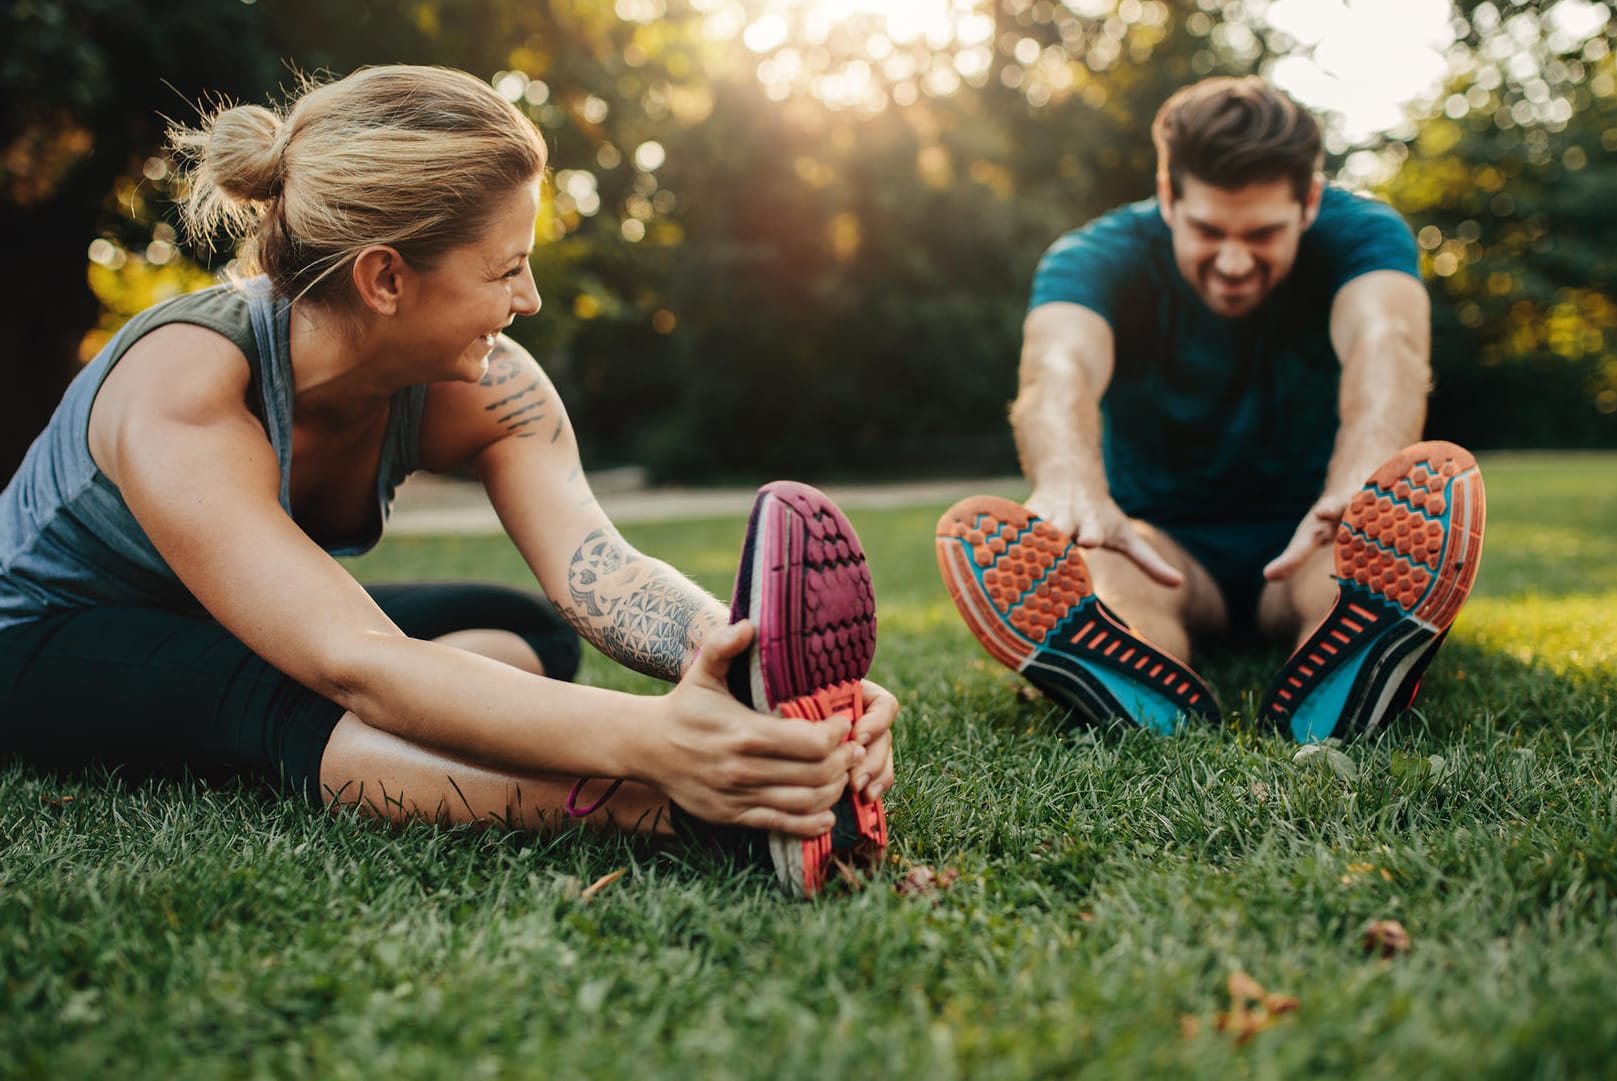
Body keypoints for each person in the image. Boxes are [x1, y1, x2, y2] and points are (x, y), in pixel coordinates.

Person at [0, 65, 893, 897]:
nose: (530, 298)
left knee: (525, 629)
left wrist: (753, 671)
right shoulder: (186, 386)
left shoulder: (487, 381)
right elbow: (356, 658)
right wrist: (656, 744)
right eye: (506, 269)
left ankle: (411, 744)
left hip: (219, 625)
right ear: (384, 277)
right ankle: (682, 813)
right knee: (301, 690)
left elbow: (600, 569)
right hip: (40, 637)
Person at [935, 76, 1485, 743]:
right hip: (1163, 544)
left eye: (1260, 233)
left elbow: (1385, 340)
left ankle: (1349, 671)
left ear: (1308, 201)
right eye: (1206, 230)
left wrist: (1362, 479)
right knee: (1111, 575)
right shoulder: (1093, 257)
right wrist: (1069, 482)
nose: (1231, 260)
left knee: (1348, 573)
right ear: (1167, 197)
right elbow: (1058, 365)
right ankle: (1136, 678)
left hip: (1309, 532)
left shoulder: (1362, 234)